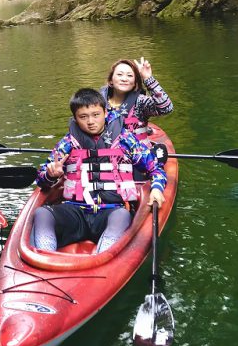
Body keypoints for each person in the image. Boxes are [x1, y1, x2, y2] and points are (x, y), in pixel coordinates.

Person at [31, 88, 167, 254]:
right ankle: (46, 259)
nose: (90, 121)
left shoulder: (124, 139)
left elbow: (155, 168)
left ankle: (102, 259)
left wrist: (156, 188)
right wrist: (50, 175)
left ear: (105, 112)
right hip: (75, 212)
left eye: (96, 115)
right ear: (75, 118)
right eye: (83, 117)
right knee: (42, 214)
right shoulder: (68, 143)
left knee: (122, 217)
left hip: (112, 211)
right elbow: (41, 179)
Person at [100, 57, 173, 139]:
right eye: (119, 74)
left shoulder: (140, 102)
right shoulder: (98, 101)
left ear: (135, 83)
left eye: (130, 75)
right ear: (111, 80)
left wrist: (147, 78)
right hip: (108, 150)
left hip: (137, 150)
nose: (124, 79)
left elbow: (166, 108)